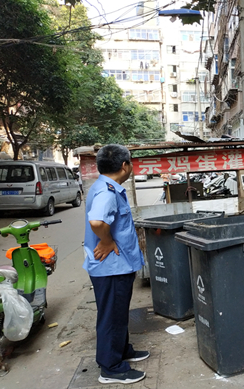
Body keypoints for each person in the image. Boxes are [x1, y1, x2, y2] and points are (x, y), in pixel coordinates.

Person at [83, 144, 149, 385]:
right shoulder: (107, 192)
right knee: (111, 316)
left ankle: (122, 351)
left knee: (118, 312)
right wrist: (107, 241)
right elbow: (97, 221)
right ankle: (110, 368)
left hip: (117, 265)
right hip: (110, 266)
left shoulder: (106, 186)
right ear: (124, 166)